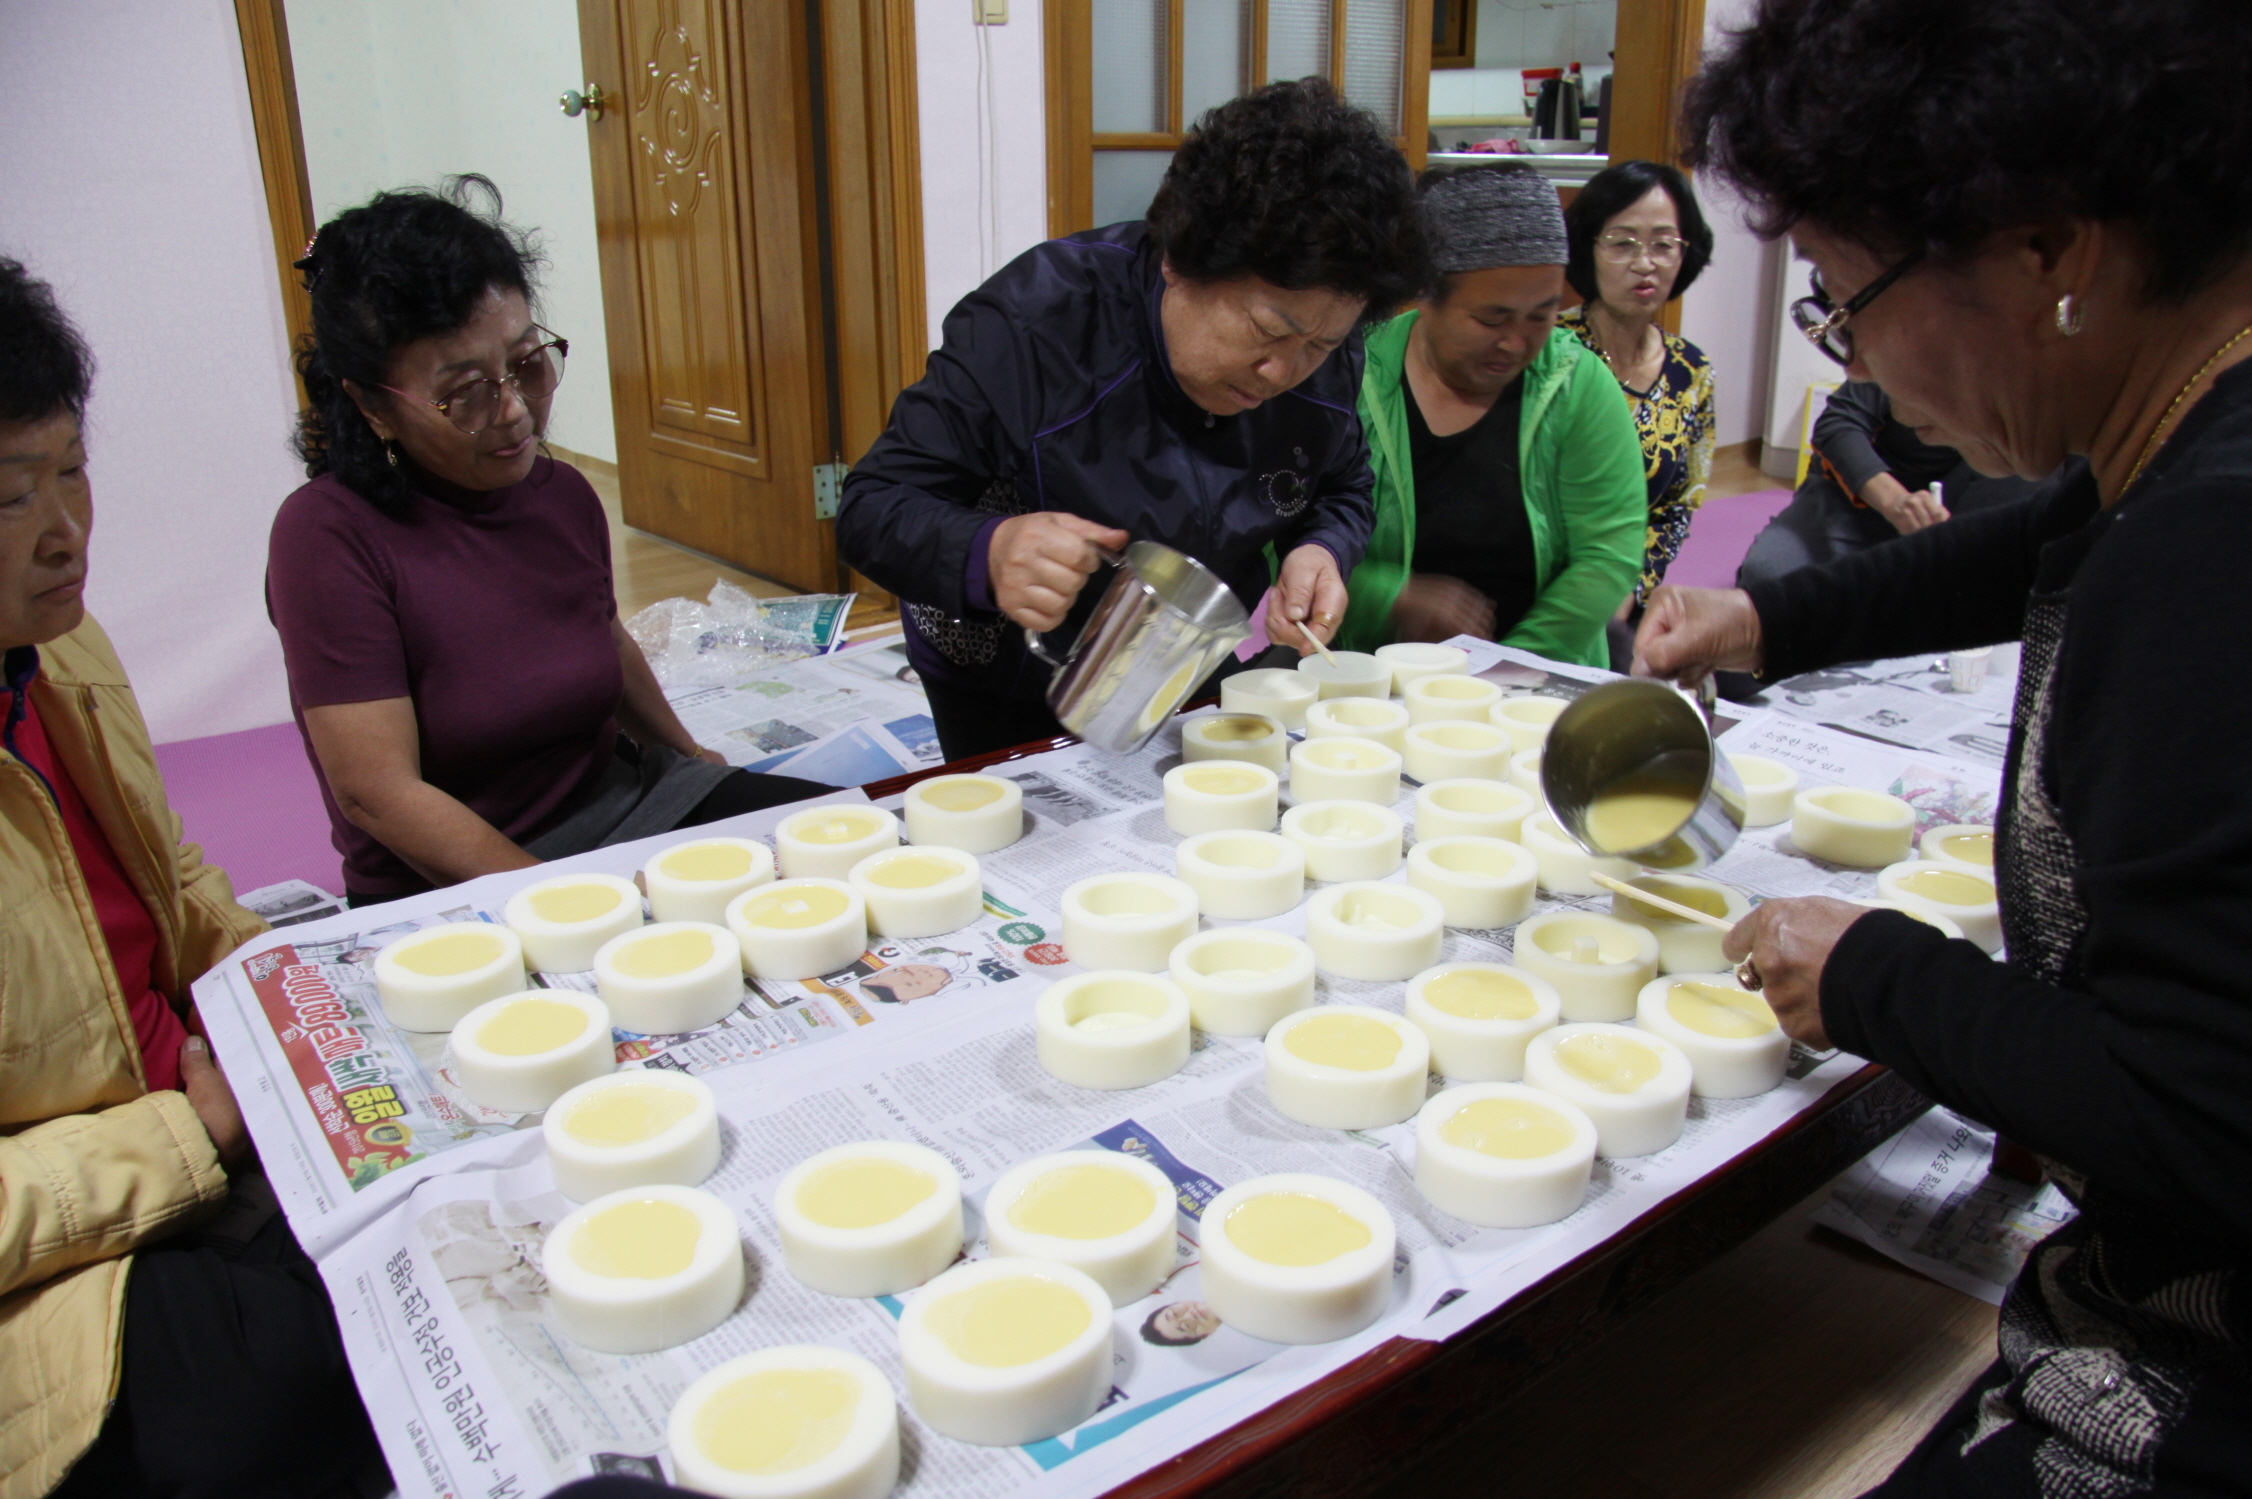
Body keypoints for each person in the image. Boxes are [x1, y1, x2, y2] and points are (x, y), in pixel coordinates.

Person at [1638, 1, 2252, 1491]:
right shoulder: (2182, 421)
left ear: (2051, 249)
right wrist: (1754, 624)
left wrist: (1873, 974)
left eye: (1849, 295)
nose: (1851, 357)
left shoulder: (2213, 554)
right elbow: (2032, 548)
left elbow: (2201, 1114)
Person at [0, 258, 385, 1498]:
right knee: (304, 1379)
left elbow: (167, 873)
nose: (67, 529)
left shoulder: (57, 650)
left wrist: (270, 999)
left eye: (71, 469)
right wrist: (195, 1127)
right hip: (78, 1250)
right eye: (10, 496)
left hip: (211, 1102)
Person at [268, 179, 823, 906]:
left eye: (528, 363)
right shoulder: (328, 535)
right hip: (461, 874)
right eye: (465, 392)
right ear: (372, 405)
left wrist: (690, 756)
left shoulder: (560, 494)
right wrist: (556, 900)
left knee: (855, 843)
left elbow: (602, 637)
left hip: (630, 808)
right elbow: (379, 794)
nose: (515, 410)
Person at [837, 80, 1423, 761]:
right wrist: (988, 551)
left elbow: (1343, 485)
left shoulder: (1324, 338)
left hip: (1197, 656)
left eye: (1320, 346)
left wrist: (1322, 548)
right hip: (1013, 675)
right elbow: (873, 506)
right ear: (1178, 258)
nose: (1283, 373)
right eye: (1268, 329)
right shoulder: (1034, 324)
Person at [1340, 163, 1646, 668]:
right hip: (1373, 677)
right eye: (1491, 318)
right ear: (1425, 294)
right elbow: (1293, 541)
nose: (1515, 342)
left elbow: (1607, 555)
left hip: (1537, 679)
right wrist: (1391, 594)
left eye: (1541, 316)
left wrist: (1507, 672)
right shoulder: (1355, 377)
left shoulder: (1577, 384)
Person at [1557, 160, 1718, 615]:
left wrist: (1632, 585)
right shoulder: (1550, 351)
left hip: (1627, 594)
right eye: (1622, 243)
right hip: (1540, 584)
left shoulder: (1692, 370)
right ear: (1588, 248)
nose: (1644, 264)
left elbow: (1675, 508)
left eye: (1663, 245)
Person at [1735, 377, 2045, 589]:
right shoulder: (1910, 333)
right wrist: (1895, 502)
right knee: (1767, 578)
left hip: (1963, 516)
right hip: (1864, 501)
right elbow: (1837, 425)